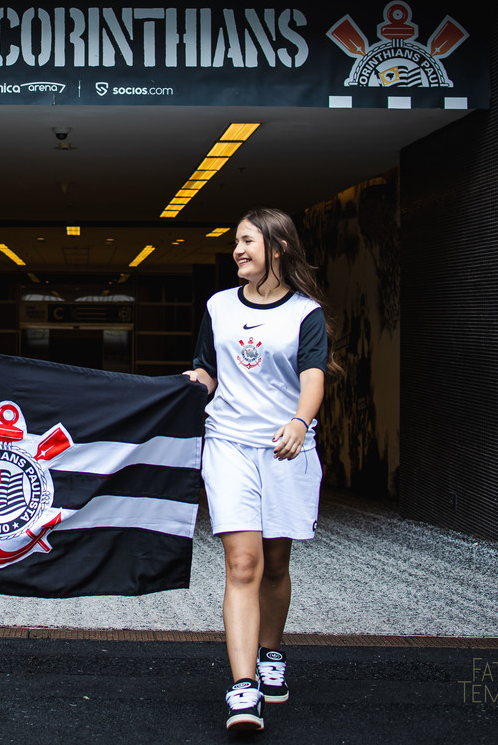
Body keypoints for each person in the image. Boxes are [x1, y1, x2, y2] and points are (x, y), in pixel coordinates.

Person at [183, 207, 341, 732]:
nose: (237, 251)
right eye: (235, 243)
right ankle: (243, 686)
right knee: (243, 564)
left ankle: (271, 652)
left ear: (276, 248)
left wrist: (301, 420)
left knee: (276, 564)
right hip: (228, 445)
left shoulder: (306, 313)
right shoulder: (219, 306)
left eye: (247, 242)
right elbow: (209, 369)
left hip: (284, 449)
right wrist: (189, 384)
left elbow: (313, 376)